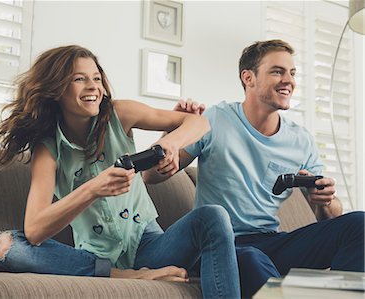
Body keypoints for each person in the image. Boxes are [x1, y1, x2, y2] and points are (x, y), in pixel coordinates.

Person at [0, 45, 241, 299]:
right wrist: (93, 189)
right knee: (10, 246)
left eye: (96, 78)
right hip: (94, 258)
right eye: (79, 79)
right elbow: (34, 230)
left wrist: (171, 143)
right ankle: (125, 275)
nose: (93, 86)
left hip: (150, 246)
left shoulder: (119, 114)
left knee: (213, 217)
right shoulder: (47, 148)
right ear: (56, 89)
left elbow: (199, 122)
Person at [143, 39, 365, 298]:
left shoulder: (301, 140)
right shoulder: (214, 119)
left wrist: (323, 200)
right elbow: (151, 176)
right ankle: (308, 292)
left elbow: (329, 215)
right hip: (223, 245)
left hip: (271, 241)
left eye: (292, 73)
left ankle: (322, 294)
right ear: (248, 78)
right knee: (250, 259)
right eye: (277, 71)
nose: (289, 81)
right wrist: (173, 132)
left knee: (360, 223)